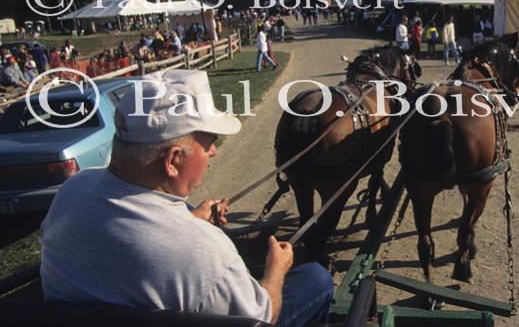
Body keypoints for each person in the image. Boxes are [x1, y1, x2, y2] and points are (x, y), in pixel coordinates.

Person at [40, 70, 332, 327]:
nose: (215, 151)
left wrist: (190, 219)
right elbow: (262, 317)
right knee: (316, 278)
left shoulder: (74, 188)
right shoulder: (203, 251)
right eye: (209, 143)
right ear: (173, 160)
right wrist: (275, 270)